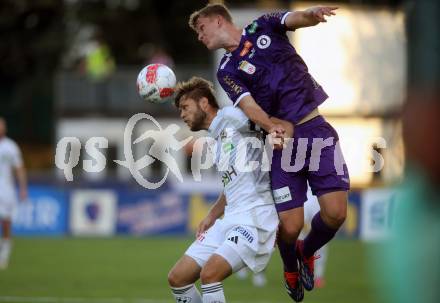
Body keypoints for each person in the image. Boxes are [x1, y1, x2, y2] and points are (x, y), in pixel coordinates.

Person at [189, 4, 349, 301]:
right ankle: (290, 266)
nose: (199, 36)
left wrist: (311, 15)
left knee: (336, 213)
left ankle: (306, 251)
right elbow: (249, 106)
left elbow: (293, 19)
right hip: (281, 143)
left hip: (315, 129)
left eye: (201, 28)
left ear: (219, 19)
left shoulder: (262, 25)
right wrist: (271, 127)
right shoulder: (226, 69)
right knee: (289, 227)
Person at [167, 77, 284, 303]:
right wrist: (212, 214)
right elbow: (232, 183)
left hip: (255, 218)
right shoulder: (216, 136)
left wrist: (274, 132)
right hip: (231, 218)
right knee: (178, 278)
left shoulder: (232, 117)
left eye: (185, 107)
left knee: (210, 275)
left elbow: (272, 124)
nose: (182, 114)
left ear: (203, 103)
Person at [0, 117, 27, 269]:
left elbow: (19, 168)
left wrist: (23, 188)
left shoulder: (10, 147)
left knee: (5, 222)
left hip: (5, 190)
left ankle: (4, 254)